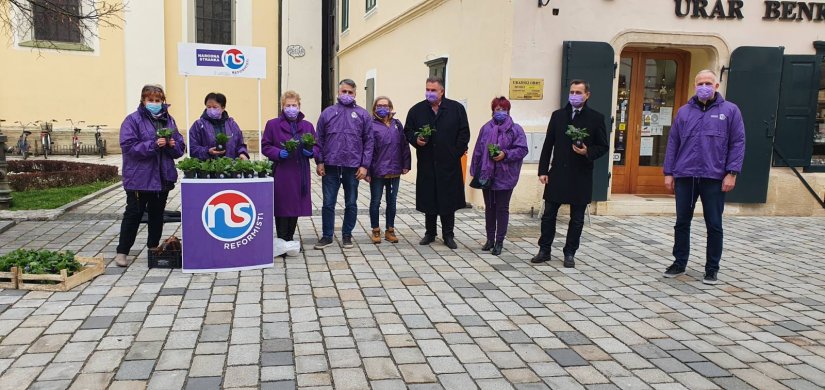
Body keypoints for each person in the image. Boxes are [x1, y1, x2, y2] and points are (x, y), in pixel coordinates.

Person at [663, 69, 745, 285]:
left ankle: (712, 268)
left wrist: (732, 173)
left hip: (714, 177)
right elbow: (673, 143)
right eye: (700, 83)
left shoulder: (730, 111)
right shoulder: (683, 112)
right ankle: (679, 262)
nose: (704, 86)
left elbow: (738, 143)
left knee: (714, 224)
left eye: (708, 82)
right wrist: (668, 172)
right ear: (695, 86)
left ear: (716, 86)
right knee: (682, 222)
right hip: (686, 176)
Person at [533, 80, 608, 268]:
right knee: (549, 214)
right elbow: (548, 144)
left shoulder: (596, 118)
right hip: (558, 173)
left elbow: (603, 146)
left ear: (587, 95)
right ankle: (544, 250)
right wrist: (542, 170)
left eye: (578, 92)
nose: (574, 95)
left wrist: (587, 152)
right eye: (572, 92)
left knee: (577, 218)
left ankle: (570, 252)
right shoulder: (558, 116)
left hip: (581, 175)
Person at [115, 84, 186, 267]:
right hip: (139, 178)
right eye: (150, 100)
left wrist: (172, 145)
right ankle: (122, 252)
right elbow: (129, 147)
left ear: (163, 101)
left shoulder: (169, 120)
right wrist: (153, 145)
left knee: (157, 215)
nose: (154, 103)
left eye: (158, 100)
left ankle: (153, 249)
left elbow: (180, 149)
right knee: (133, 214)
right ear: (143, 101)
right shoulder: (132, 120)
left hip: (162, 177)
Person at [404, 77, 470, 250]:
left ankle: (448, 234)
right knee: (429, 199)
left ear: (442, 91)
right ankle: (430, 233)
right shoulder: (417, 110)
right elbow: (408, 130)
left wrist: (454, 153)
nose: (429, 93)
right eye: (427, 89)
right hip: (427, 163)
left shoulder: (456, 109)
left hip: (449, 164)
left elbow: (464, 134)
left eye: (433, 90)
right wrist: (415, 140)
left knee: (448, 200)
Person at [314, 79, 374, 249]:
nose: (346, 95)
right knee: (328, 203)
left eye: (350, 92)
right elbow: (319, 139)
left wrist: (364, 165)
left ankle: (347, 235)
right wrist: (319, 161)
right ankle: (327, 236)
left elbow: (369, 142)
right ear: (338, 92)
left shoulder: (363, 115)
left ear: (355, 94)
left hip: (353, 167)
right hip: (331, 166)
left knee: (351, 203)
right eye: (344, 92)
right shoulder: (327, 113)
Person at [469, 97, 528, 256]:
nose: (500, 112)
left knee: (502, 208)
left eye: (503, 109)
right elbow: (478, 150)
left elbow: (522, 149)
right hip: (487, 175)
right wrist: (475, 170)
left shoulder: (515, 129)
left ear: (508, 111)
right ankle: (489, 239)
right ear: (492, 110)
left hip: (505, 175)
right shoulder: (486, 128)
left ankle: (499, 241)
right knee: (490, 208)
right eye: (497, 109)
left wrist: (505, 154)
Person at [262, 90, 319, 245]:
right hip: (282, 171)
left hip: (300, 172)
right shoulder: (272, 124)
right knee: (281, 205)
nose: (291, 108)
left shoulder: (307, 126)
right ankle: (281, 238)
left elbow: (317, 146)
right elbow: (265, 146)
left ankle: (289, 238)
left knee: (295, 206)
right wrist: (278, 153)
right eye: (288, 105)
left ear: (299, 106)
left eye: (294, 105)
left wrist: (311, 152)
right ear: (283, 106)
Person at [367, 96, 411, 244]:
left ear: (390, 107)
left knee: (392, 202)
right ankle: (375, 230)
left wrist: (406, 164)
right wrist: (367, 170)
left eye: (386, 105)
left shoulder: (397, 124)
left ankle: (390, 230)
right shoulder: (371, 125)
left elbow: (404, 145)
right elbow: (368, 149)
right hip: (377, 171)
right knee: (375, 201)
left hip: (394, 170)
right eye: (379, 105)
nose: (383, 108)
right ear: (374, 108)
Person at [188, 92, 249, 160]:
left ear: (223, 108)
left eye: (215, 107)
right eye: (208, 107)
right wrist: (207, 151)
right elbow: (192, 148)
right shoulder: (198, 125)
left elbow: (240, 144)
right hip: (206, 168)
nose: (211, 110)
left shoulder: (232, 125)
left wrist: (242, 153)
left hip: (230, 167)